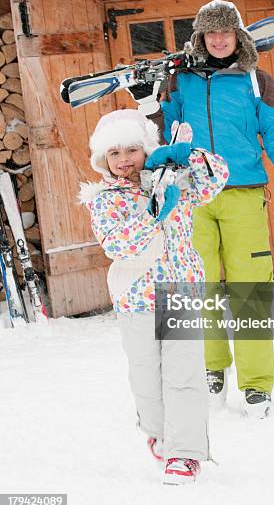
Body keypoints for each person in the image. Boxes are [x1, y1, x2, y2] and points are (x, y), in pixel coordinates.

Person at [160, 0, 274, 418]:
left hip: (244, 195)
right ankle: (212, 368)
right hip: (192, 196)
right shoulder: (179, 81)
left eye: (225, 32)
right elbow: (161, 132)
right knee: (202, 289)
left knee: (249, 291)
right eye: (210, 33)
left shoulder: (256, 81)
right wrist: (149, 106)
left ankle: (256, 384)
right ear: (200, 38)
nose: (218, 39)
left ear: (238, 35)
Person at [79, 108, 229, 484]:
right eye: (115, 153)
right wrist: (153, 213)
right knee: (146, 380)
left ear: (147, 149)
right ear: (103, 159)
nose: (124, 160)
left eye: (132, 150)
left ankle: (185, 453)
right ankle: (160, 433)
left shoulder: (174, 179)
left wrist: (188, 156)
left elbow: (215, 181)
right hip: (136, 300)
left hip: (181, 292)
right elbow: (117, 245)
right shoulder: (104, 199)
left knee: (184, 376)